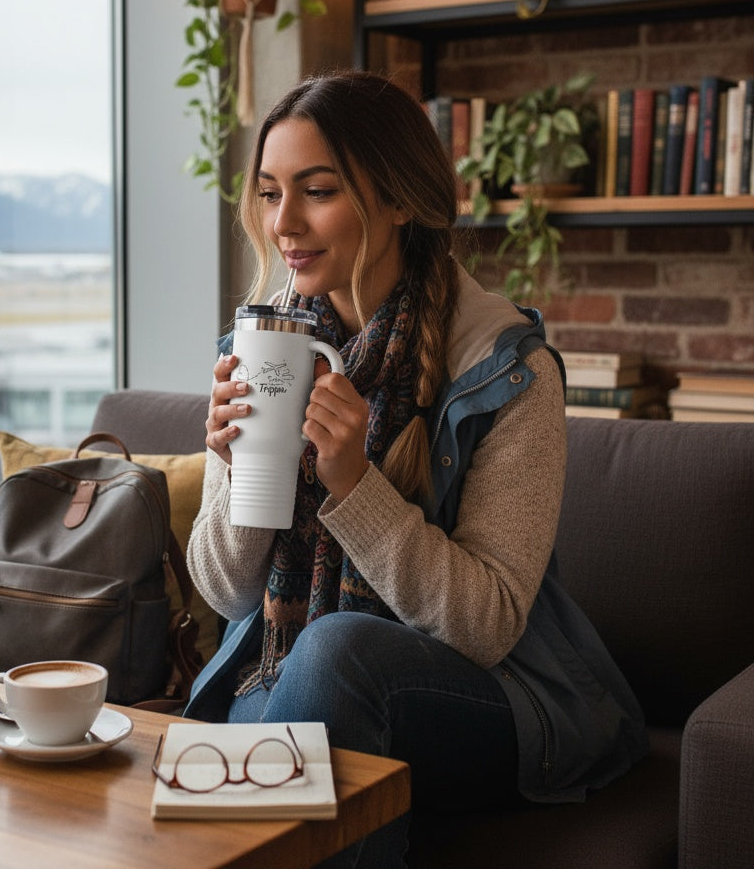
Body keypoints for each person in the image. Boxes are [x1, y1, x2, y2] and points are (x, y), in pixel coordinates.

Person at [182, 71, 647, 866]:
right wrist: (233, 472)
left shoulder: (509, 373)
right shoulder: (260, 350)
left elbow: (489, 624)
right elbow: (227, 593)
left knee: (331, 656)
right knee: (274, 708)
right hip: (292, 677)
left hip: (480, 698)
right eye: (268, 194)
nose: (284, 223)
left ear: (396, 198)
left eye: (317, 190)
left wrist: (355, 488)